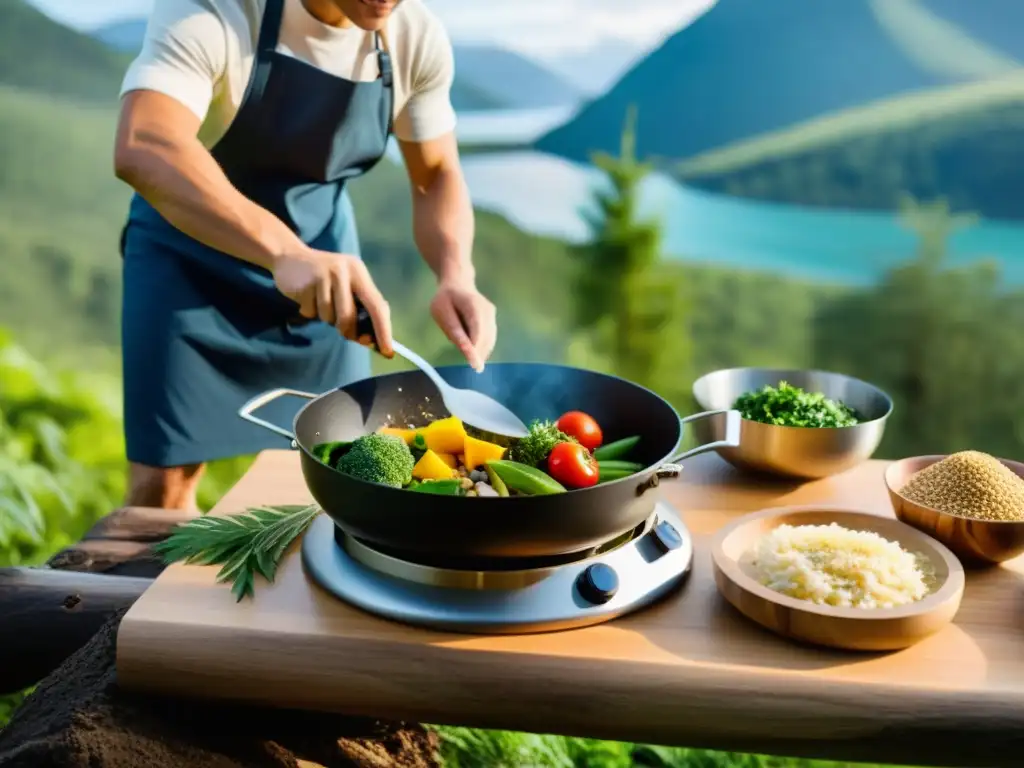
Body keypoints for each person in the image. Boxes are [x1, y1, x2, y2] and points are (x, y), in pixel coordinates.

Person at [113, 0, 496, 510]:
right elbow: (145, 142)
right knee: (161, 491)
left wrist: (456, 275)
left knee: (340, 468)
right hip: (187, 268)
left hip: (326, 279)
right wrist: (283, 251)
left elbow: (435, 175)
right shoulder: (216, 12)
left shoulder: (413, 37)